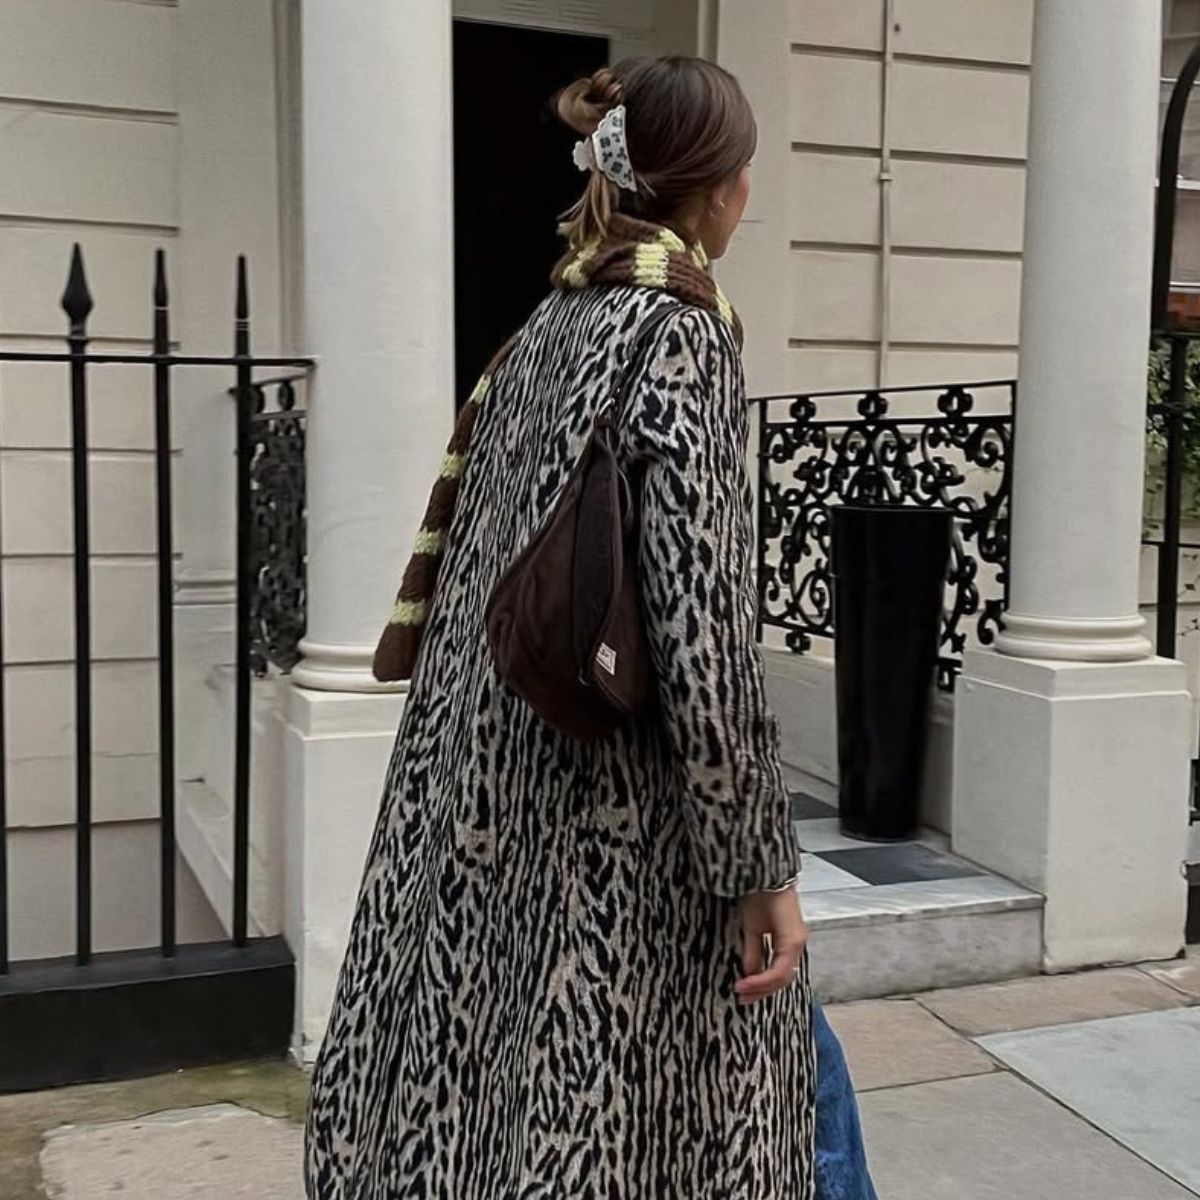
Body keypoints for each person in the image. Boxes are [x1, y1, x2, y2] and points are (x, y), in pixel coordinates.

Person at [305, 58, 816, 1198]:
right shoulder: (679, 335)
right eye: (745, 174)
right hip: (614, 823)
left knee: (489, 1099)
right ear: (719, 187)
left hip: (491, 783)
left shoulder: (549, 321)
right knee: (638, 1117)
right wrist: (759, 865)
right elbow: (704, 634)